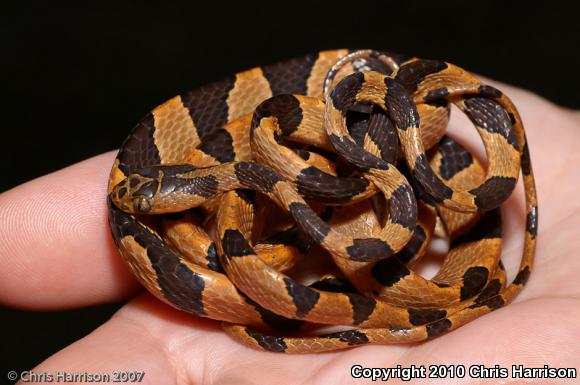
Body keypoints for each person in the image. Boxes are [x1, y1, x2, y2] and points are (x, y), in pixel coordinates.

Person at [1, 78, 578, 384]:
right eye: (151, 191)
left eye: (152, 191)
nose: (134, 199)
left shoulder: (285, 177)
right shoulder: (233, 193)